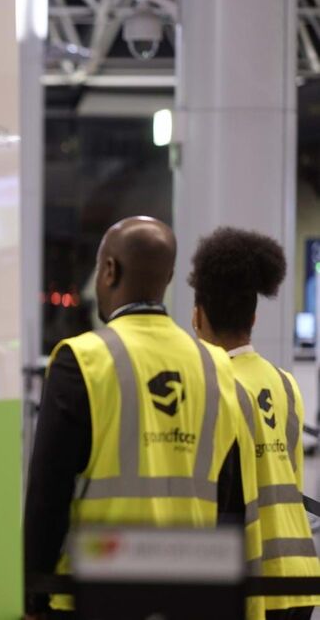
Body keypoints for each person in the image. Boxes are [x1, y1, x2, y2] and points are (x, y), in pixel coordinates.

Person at [24, 216, 262, 619]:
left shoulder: (82, 360)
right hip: (190, 594)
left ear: (110, 270)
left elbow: (48, 495)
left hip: (95, 594)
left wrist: (32, 594)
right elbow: (230, 495)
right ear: (168, 277)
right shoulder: (216, 366)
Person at [189, 227, 320, 620]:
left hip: (252, 577)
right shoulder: (285, 383)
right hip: (300, 571)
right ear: (254, 318)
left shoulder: (211, 386)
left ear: (198, 317)